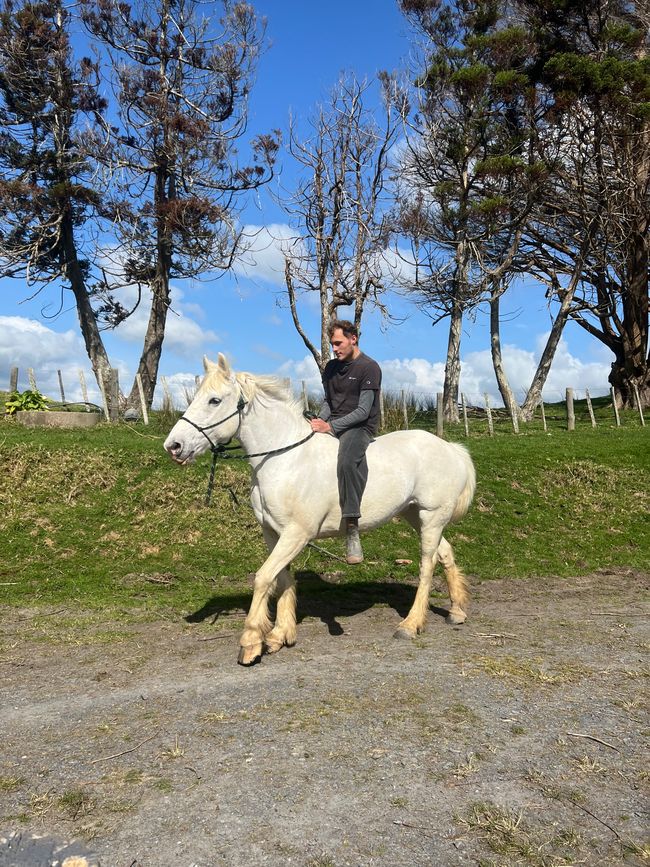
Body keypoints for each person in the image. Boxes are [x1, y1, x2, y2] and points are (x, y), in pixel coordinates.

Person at [310, 320, 382, 564]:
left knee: (347, 461)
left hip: (359, 427)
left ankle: (352, 527)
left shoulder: (369, 368)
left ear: (353, 339)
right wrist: (319, 420)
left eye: (339, 343)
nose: (335, 349)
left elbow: (363, 411)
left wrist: (331, 427)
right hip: (334, 421)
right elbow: (329, 402)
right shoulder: (330, 367)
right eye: (332, 345)